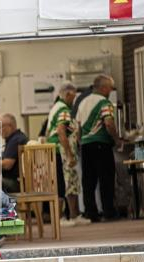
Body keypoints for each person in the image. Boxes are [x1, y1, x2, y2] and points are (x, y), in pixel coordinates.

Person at [75, 74, 123, 222]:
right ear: (103, 88)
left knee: (88, 181)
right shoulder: (104, 103)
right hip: (101, 144)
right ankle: (109, 211)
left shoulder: (82, 102)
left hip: (85, 145)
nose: (111, 91)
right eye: (110, 87)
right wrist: (117, 139)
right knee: (106, 179)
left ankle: (91, 213)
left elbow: (77, 127)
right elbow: (108, 123)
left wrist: (80, 143)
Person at [46, 82, 90, 226]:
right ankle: (66, 217)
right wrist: (70, 154)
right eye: (73, 95)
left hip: (58, 150)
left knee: (70, 182)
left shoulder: (56, 107)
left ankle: (74, 215)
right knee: (67, 183)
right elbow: (61, 132)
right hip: (62, 151)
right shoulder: (63, 109)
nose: (74, 99)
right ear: (68, 95)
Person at [0, 113, 28, 193]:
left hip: (17, 183)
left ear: (10, 126)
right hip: (17, 182)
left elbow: (7, 164)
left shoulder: (16, 140)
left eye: (0, 127)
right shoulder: (16, 138)